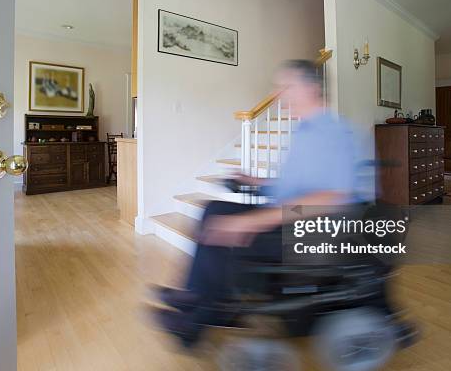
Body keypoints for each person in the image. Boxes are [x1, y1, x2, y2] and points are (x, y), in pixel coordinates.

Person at [152, 60, 361, 346]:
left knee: (222, 228)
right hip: (284, 215)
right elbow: (293, 186)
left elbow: (331, 199)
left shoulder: (332, 133)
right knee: (214, 209)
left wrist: (255, 220)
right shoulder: (304, 132)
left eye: (286, 87)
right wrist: (256, 181)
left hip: (308, 229)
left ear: (311, 88)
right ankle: (197, 295)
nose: (278, 94)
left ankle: (194, 323)